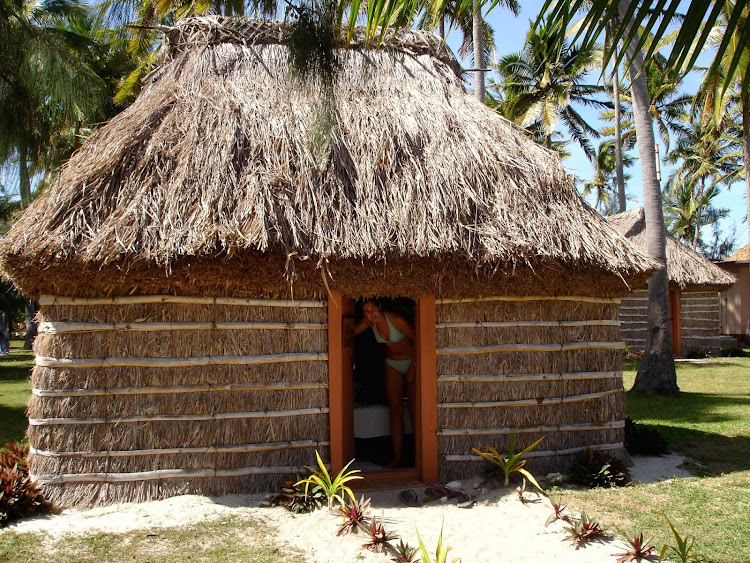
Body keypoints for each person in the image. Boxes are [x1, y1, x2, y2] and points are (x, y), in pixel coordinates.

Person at [354, 299, 416, 468]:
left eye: (373, 309)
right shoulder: (369, 322)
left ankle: (418, 454)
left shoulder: (396, 320)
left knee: (414, 408)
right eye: (366, 311)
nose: (371, 313)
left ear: (380, 307)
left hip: (411, 361)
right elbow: (350, 332)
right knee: (394, 410)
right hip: (392, 364)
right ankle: (397, 456)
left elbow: (419, 340)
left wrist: (414, 367)